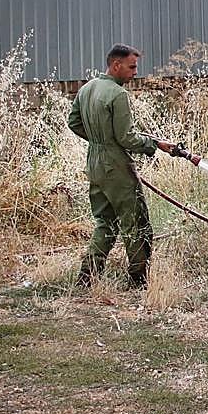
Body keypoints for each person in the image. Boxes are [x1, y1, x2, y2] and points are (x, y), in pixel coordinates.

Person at [67, 44, 175, 288]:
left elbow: (73, 122)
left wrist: (99, 139)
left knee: (105, 221)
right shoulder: (117, 94)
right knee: (135, 221)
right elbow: (127, 138)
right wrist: (155, 145)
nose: (135, 72)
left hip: (94, 163)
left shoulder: (87, 89)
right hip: (115, 166)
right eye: (132, 67)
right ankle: (138, 280)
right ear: (116, 65)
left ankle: (87, 277)